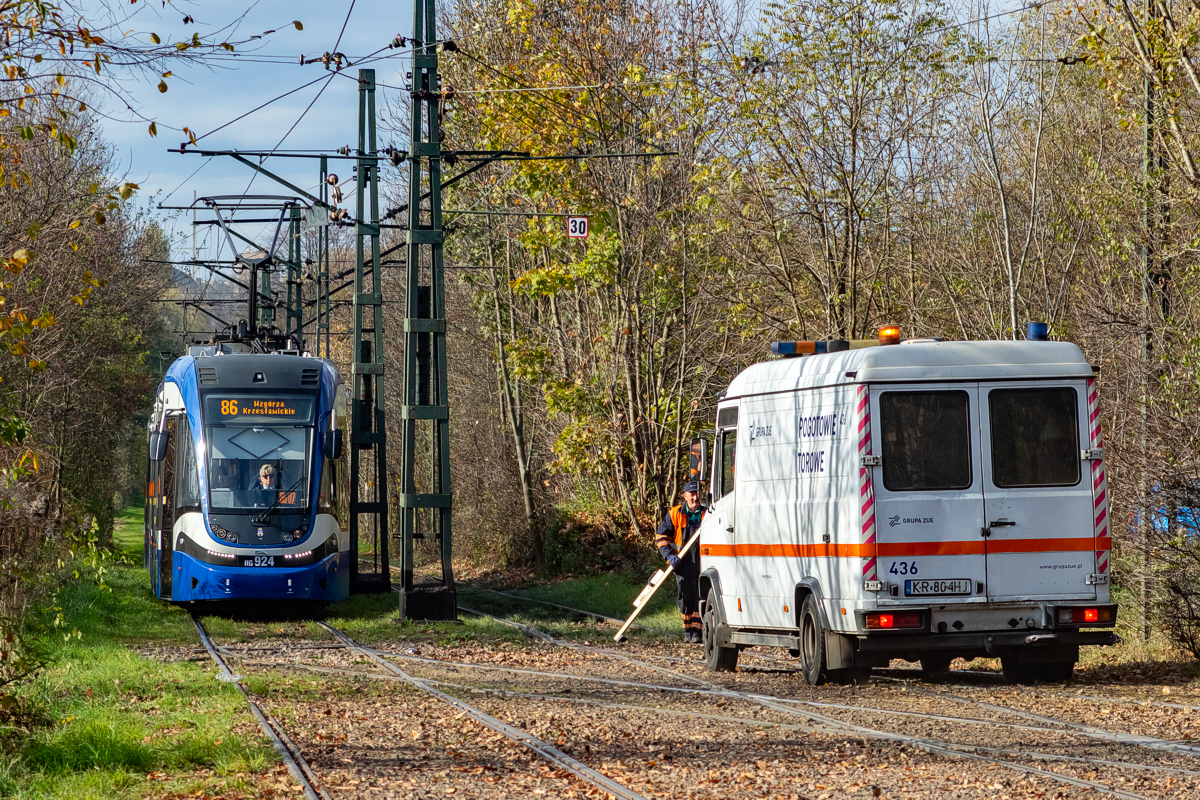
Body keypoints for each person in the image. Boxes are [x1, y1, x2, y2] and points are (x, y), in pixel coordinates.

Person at [655, 480, 706, 643]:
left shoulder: (709, 514)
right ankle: (687, 629)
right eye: (691, 494)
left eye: (697, 493)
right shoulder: (675, 514)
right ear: (685, 496)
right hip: (682, 564)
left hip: (703, 562)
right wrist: (669, 556)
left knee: (701, 596)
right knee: (685, 596)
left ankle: (698, 632)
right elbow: (661, 537)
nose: (695, 497)